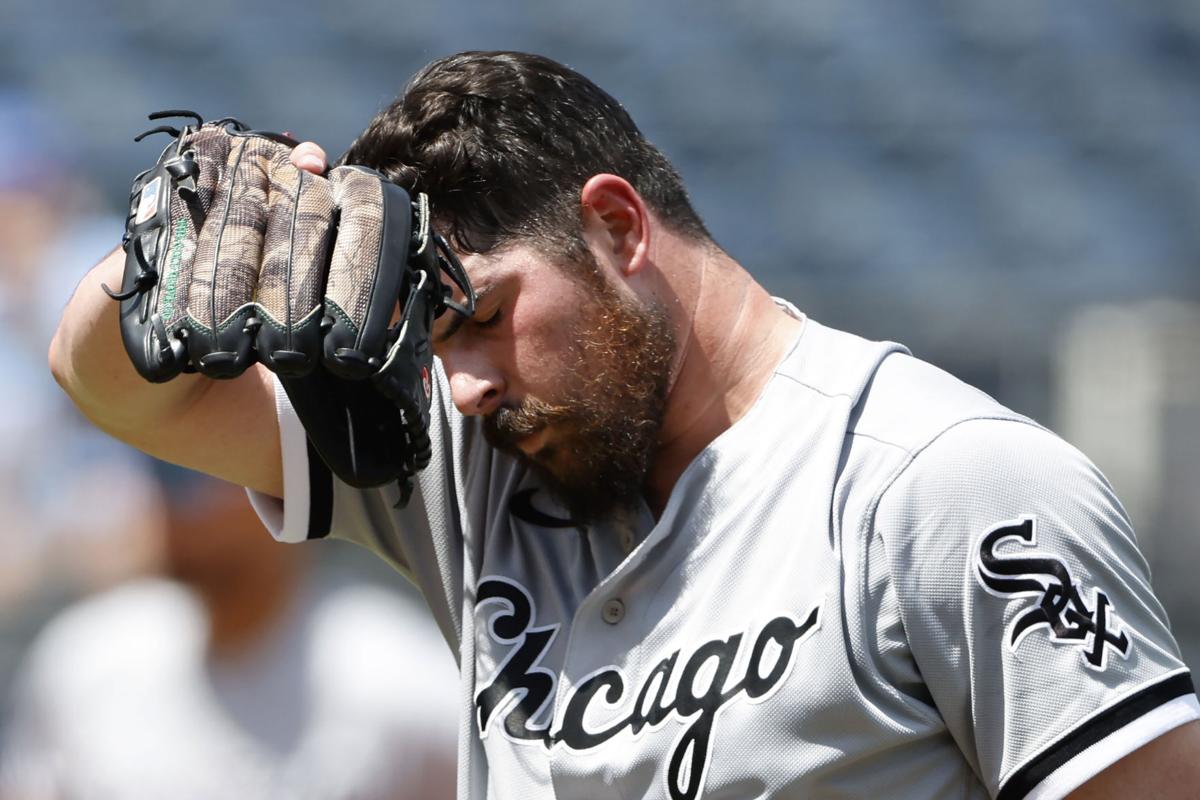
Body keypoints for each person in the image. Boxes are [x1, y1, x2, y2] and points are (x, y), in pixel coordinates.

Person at [48, 50, 1200, 799]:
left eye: (486, 315)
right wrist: (188, 239)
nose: (461, 384)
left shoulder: (942, 483)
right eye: (436, 343)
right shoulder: (470, 456)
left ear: (617, 226)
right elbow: (107, 384)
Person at [0, 463, 457, 800]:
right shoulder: (84, 660)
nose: (167, 499)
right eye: (159, 467)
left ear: (287, 483)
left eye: (196, 470)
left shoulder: (401, 676)